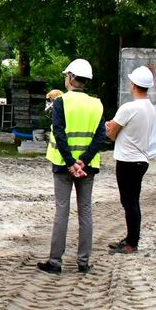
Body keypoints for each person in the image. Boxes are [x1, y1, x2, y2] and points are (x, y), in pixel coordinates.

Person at [37, 59, 108, 275]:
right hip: (87, 167)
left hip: (63, 166)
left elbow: (58, 133)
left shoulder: (61, 102)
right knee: (85, 212)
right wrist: (83, 161)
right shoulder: (97, 104)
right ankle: (83, 262)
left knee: (62, 211)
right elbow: (100, 136)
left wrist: (70, 163)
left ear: (70, 78)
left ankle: (55, 262)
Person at [106, 65, 156, 254]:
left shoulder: (128, 108)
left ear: (134, 85)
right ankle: (130, 238)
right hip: (141, 159)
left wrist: (108, 127)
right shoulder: (149, 108)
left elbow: (111, 134)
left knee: (129, 203)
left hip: (127, 160)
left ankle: (132, 243)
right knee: (132, 201)